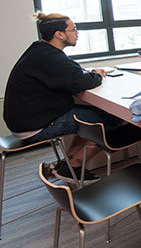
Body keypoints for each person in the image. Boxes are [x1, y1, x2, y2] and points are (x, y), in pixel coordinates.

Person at [3, 13, 123, 185]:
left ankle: (68, 163)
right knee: (109, 119)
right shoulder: (49, 57)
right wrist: (96, 75)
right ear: (59, 34)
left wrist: (87, 74)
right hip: (36, 125)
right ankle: (72, 166)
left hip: (28, 119)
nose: (77, 33)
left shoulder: (40, 50)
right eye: (73, 29)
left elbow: (72, 70)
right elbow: (80, 81)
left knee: (91, 117)